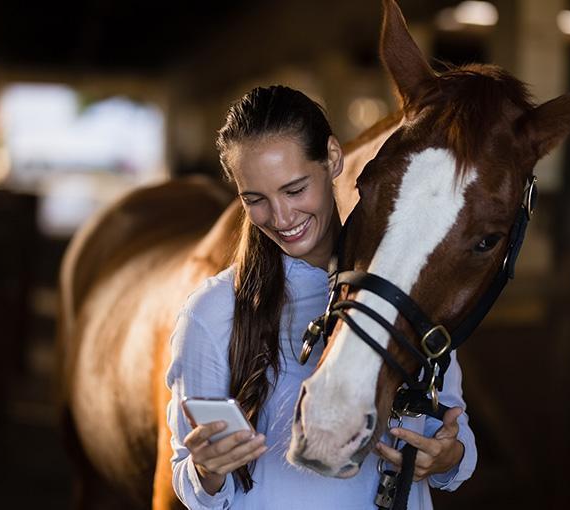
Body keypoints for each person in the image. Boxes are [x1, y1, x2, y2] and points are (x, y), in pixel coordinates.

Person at [165, 85, 477, 509]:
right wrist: (207, 470)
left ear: (332, 159)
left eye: (294, 190)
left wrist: (447, 457)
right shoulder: (213, 312)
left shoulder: (406, 287)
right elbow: (189, 481)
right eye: (255, 199)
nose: (280, 218)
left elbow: (454, 427)